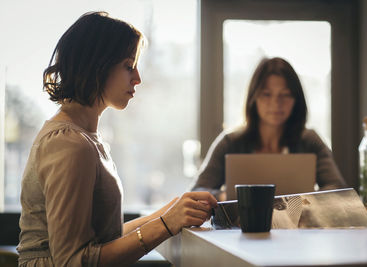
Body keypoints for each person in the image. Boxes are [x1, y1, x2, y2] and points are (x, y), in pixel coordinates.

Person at [17, 12, 217, 267]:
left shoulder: (84, 138)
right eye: (128, 66)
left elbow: (104, 240)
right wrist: (167, 223)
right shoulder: (70, 144)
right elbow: (72, 261)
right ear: (97, 64)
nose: (138, 78)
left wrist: (172, 210)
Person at [192, 57, 347, 200]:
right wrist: (224, 196)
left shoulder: (309, 141)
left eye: (285, 95)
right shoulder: (230, 142)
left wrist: (305, 201)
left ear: (296, 100)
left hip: (299, 228)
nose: (276, 103)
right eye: (266, 94)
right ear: (253, 98)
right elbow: (196, 192)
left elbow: (338, 189)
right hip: (241, 229)